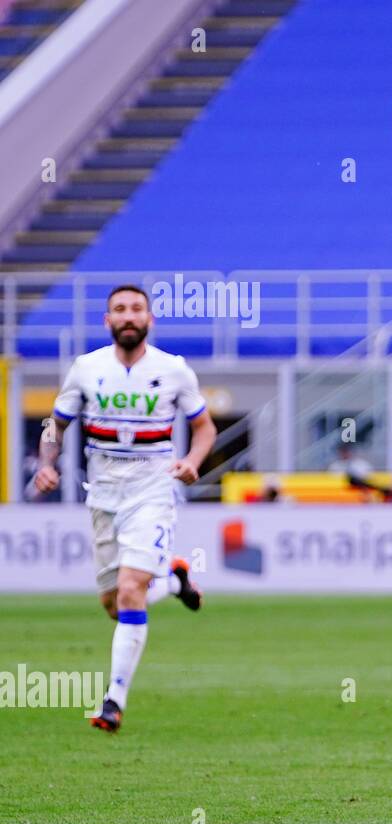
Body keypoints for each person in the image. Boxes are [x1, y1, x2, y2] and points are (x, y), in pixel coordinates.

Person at [33, 285, 213, 733]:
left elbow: (204, 427)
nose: (128, 316)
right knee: (114, 605)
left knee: (132, 589)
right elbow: (54, 426)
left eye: (136, 309)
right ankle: (172, 581)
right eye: (119, 309)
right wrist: (47, 463)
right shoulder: (86, 369)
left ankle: (113, 702)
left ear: (149, 319)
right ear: (107, 320)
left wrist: (191, 462)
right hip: (103, 495)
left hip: (153, 492)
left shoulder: (173, 370)